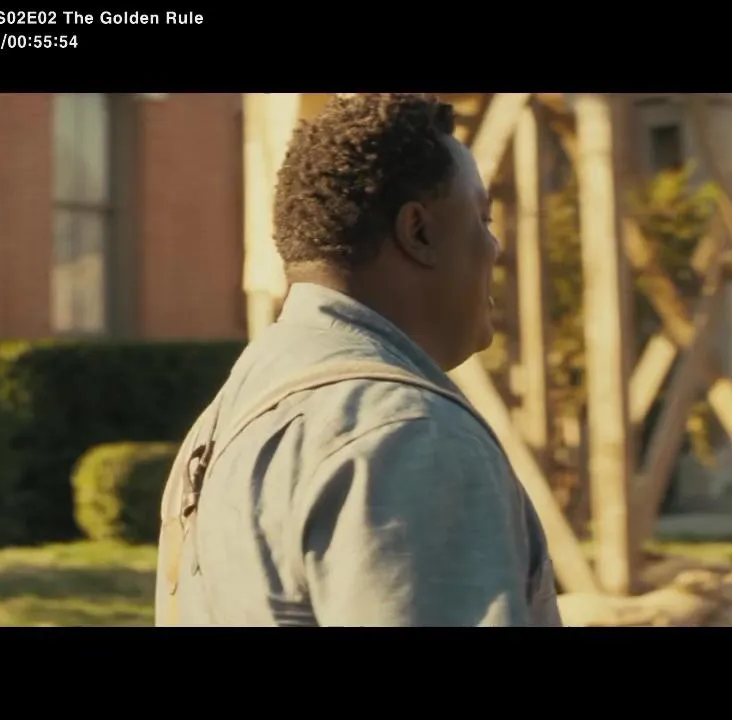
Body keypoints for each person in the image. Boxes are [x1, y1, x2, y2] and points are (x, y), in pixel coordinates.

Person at [155, 94, 561, 627]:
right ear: (418, 232)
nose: (494, 246)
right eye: (481, 219)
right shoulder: (410, 435)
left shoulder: (230, 413)